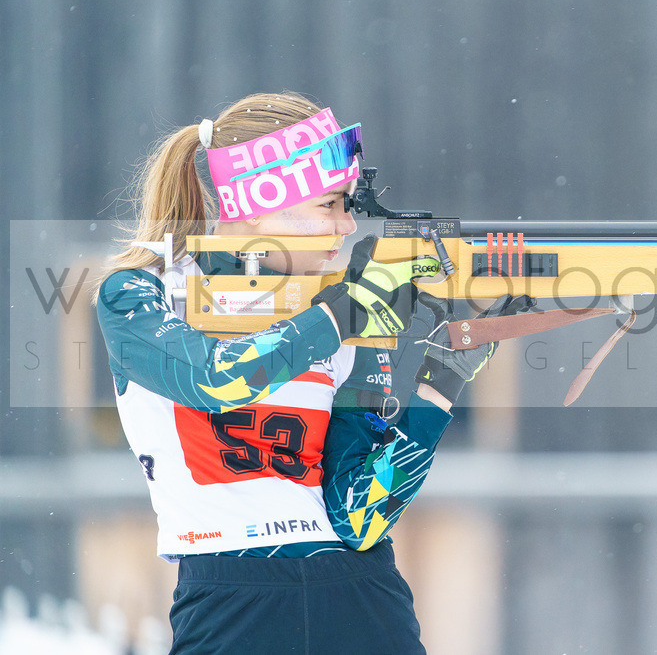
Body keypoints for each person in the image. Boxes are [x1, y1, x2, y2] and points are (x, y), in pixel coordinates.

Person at [93, 92, 529, 653]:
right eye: (329, 204)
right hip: (229, 603)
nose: (348, 225)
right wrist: (344, 313)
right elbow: (215, 379)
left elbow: (360, 515)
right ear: (253, 205)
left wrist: (444, 378)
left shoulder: (338, 306)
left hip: (364, 597)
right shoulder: (140, 293)